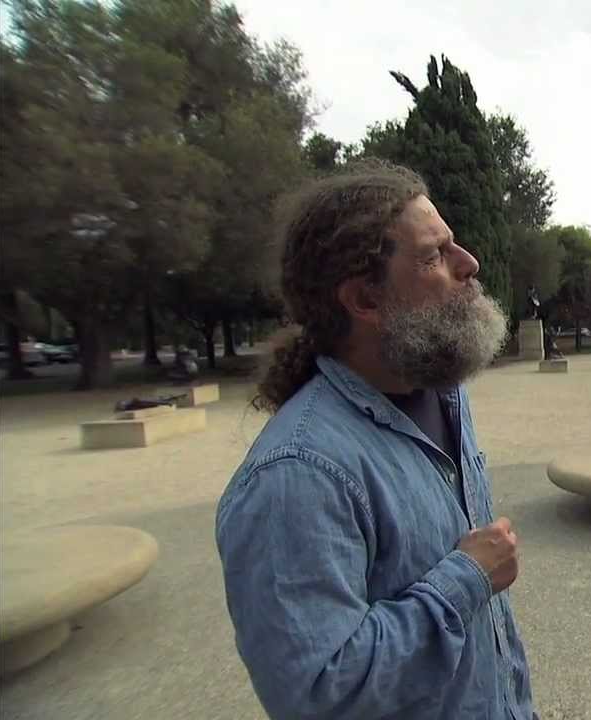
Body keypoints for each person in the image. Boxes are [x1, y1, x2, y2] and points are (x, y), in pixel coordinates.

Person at [215, 161, 537, 720]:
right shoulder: (296, 475)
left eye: (452, 244)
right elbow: (319, 695)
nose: (469, 263)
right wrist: (467, 578)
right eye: (434, 256)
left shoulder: (443, 393)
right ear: (365, 299)